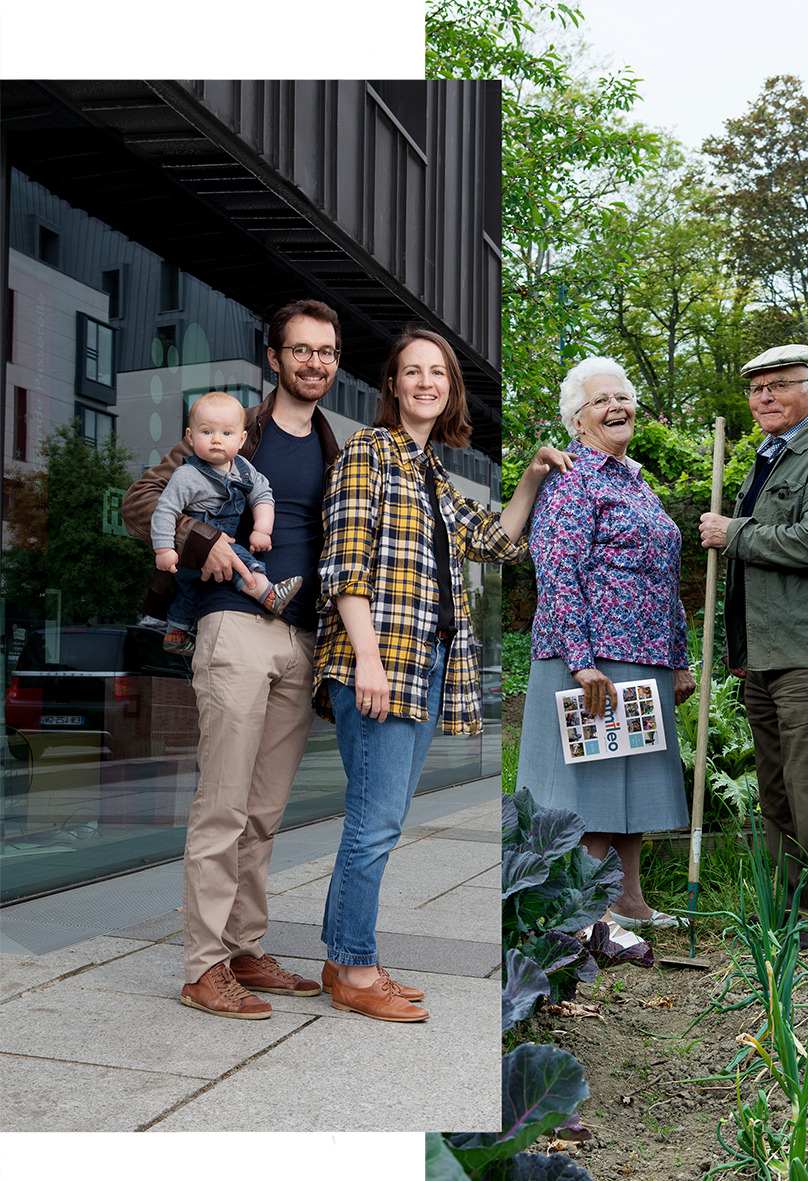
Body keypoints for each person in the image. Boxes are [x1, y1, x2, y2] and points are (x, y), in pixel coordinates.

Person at [315, 327, 569, 1021]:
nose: (426, 381)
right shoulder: (368, 453)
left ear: (450, 389)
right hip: (382, 662)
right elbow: (344, 563)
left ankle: (345, 956)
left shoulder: (429, 472)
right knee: (376, 821)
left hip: (424, 663)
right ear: (391, 385)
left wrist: (532, 477)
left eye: (439, 373)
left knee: (377, 818)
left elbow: (494, 541)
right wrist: (368, 657)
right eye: (412, 371)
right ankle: (356, 968)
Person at [123, 299, 344, 1018]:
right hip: (233, 627)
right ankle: (203, 964)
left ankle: (245, 946)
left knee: (265, 810)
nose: (316, 362)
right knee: (222, 804)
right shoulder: (230, 429)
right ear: (274, 359)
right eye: (302, 350)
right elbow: (142, 501)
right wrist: (202, 540)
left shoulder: (332, 445)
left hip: (302, 637)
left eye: (327, 351)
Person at [698, 344, 808, 949]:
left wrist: (733, 532)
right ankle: (786, 912)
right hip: (765, 654)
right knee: (775, 793)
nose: (765, 398)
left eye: (780, 386)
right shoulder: (768, 460)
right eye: (756, 389)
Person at [517, 357, 695, 939]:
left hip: (644, 652)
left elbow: (663, 573)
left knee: (635, 780)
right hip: (591, 652)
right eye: (601, 400)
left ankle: (630, 902)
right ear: (577, 419)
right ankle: (589, 912)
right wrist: (581, 660)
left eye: (623, 396)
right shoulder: (573, 478)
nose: (617, 406)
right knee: (594, 785)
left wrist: (679, 658)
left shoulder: (634, 479)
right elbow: (557, 570)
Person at [151, 391, 304, 653]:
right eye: (207, 432)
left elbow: (263, 495)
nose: (216, 441)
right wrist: (164, 549)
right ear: (190, 436)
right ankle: (268, 594)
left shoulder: (244, 468)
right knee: (239, 559)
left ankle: (176, 634)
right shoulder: (187, 474)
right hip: (192, 549)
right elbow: (165, 509)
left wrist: (262, 529)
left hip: (210, 553)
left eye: (226, 433)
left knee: (189, 592)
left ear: (242, 439)